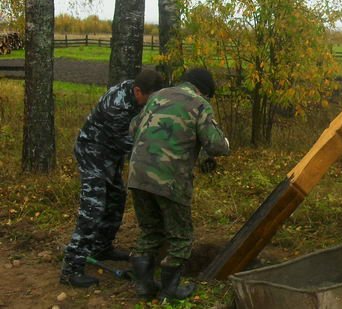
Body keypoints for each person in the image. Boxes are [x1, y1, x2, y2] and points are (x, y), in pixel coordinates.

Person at [127, 68, 230, 301]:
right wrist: (224, 141)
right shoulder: (199, 103)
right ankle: (170, 291)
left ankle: (144, 286)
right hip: (170, 178)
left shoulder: (157, 96)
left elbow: (133, 128)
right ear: (202, 90)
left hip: (138, 174)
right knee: (180, 237)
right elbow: (215, 145)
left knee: (150, 230)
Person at [60, 69, 165, 288]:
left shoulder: (138, 92)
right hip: (93, 153)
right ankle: (71, 269)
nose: (152, 104)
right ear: (138, 91)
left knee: (117, 199)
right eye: (150, 99)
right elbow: (131, 145)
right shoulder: (116, 106)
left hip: (110, 155)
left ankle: (102, 247)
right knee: (93, 209)